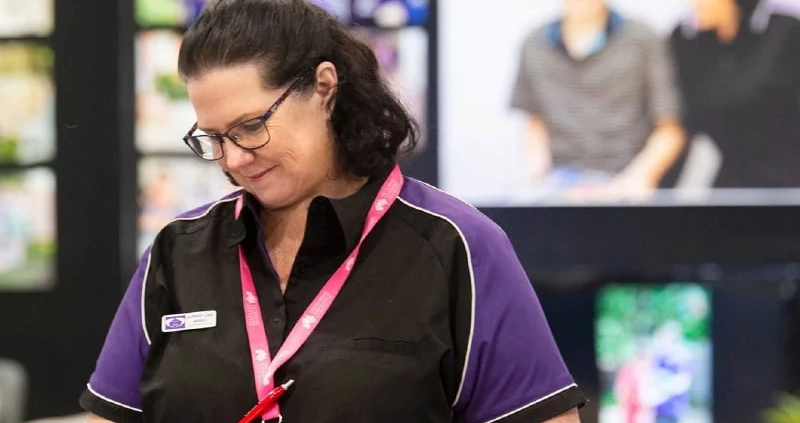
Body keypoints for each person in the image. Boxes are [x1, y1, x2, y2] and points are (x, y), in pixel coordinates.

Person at [79, 1, 587, 422]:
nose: (233, 159)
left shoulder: (459, 246)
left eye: (250, 127)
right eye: (214, 138)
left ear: (324, 88)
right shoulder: (178, 250)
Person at [510, 0, 685, 203]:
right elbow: (534, 123)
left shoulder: (642, 39)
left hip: (625, 182)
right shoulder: (535, 44)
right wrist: (539, 179)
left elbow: (670, 130)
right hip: (560, 186)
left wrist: (636, 180)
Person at [669, 0, 800, 188]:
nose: (695, 4)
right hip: (733, 173)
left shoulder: (784, 32)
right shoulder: (685, 41)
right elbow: (687, 119)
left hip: (787, 173)